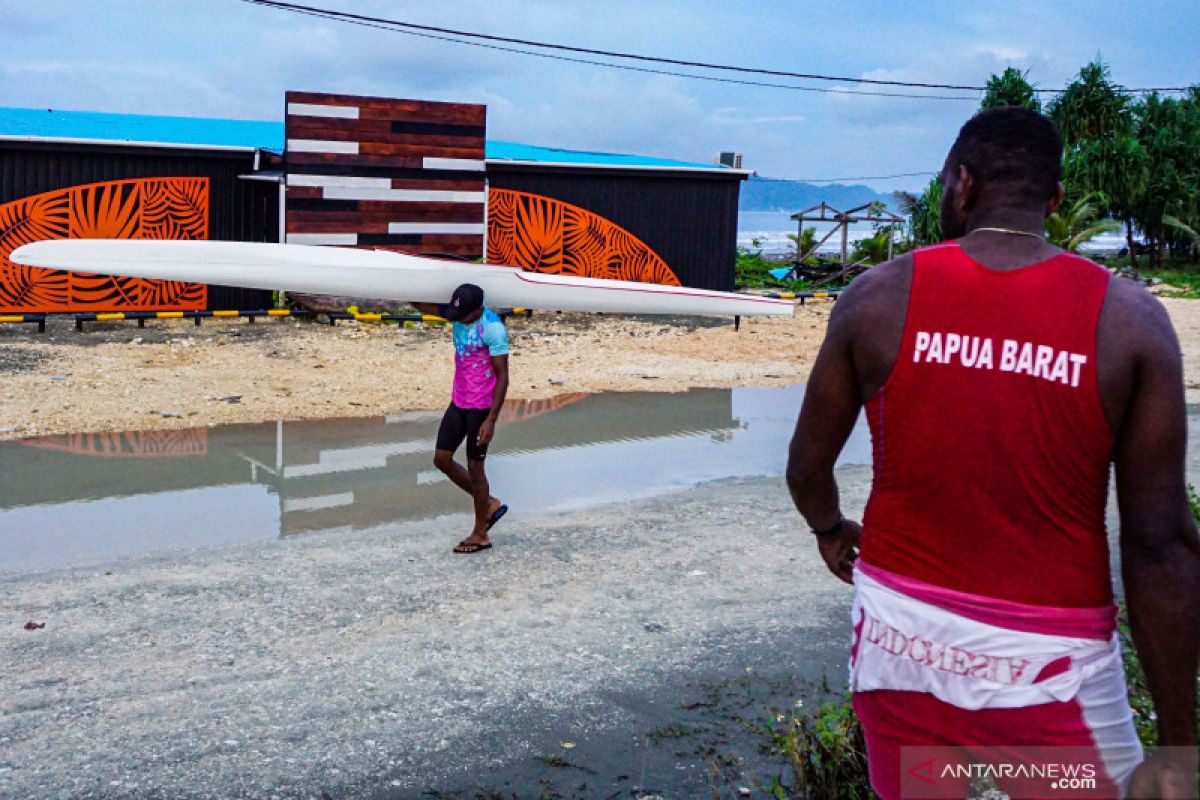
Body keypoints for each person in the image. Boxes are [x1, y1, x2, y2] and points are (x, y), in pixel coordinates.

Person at [786, 107, 1199, 799]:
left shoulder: (875, 299)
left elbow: (806, 468)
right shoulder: (1130, 322)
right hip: (1045, 677)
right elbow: (1160, 545)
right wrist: (1180, 745)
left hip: (901, 652)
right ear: (1056, 201)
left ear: (962, 185)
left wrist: (830, 530)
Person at [413, 283, 509, 553]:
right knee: (441, 459)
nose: (458, 320)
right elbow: (426, 307)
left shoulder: (493, 329)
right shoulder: (459, 311)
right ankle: (489, 503)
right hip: (459, 401)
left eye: (464, 316)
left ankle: (481, 534)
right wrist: (401, 288)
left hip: (481, 409)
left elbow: (503, 376)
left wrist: (491, 420)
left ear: (477, 309)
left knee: (476, 468)